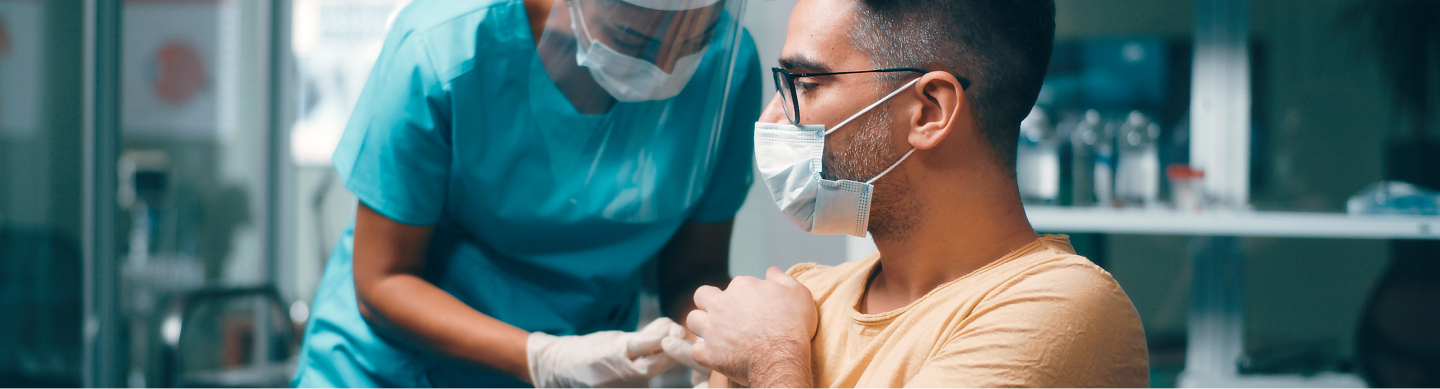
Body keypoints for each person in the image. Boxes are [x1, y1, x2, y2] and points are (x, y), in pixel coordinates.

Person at [668, 0, 1150, 387]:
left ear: (928, 112)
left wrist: (771, 357)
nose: (773, 119)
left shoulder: (1061, 311)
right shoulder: (804, 294)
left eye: (806, 84)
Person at [289, 0, 762, 387]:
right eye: (632, 39)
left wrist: (720, 345)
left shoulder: (727, 68)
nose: (664, 65)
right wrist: (545, 358)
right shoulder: (441, 44)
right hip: (392, 370)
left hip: (587, 363)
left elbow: (693, 271)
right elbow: (383, 280)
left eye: (690, 39)